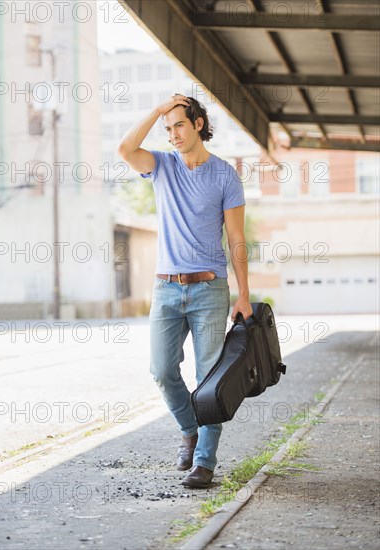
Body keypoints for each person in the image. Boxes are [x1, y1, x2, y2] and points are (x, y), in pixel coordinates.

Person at [118, 93, 252, 488]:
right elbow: (125, 148)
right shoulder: (161, 166)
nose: (172, 134)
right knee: (161, 370)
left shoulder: (225, 175)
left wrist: (243, 295)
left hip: (210, 288)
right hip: (166, 288)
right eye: (167, 127)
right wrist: (158, 108)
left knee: (210, 377)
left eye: (179, 124)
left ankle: (205, 462)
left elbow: (237, 239)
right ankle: (188, 429)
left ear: (197, 124)